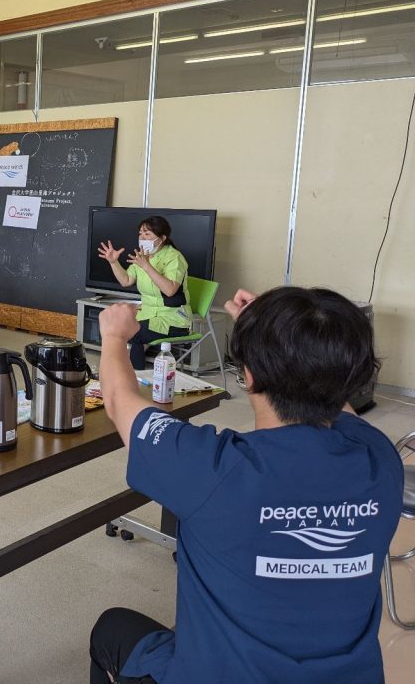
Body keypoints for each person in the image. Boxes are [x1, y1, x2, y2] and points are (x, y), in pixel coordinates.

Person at [89, 286, 403, 684]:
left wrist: (115, 336)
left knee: (112, 629)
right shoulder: (379, 457)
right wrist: (267, 336)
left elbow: (119, 400)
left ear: (249, 375)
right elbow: (330, 391)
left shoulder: (213, 468)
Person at [97, 216, 191, 369]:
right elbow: (126, 280)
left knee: (134, 333)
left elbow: (170, 290)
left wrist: (146, 266)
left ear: (162, 238)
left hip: (173, 319)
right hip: (147, 314)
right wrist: (113, 262)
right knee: (113, 323)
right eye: (140, 234)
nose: (142, 238)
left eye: (147, 234)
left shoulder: (174, 257)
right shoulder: (142, 255)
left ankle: (135, 380)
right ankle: (123, 373)